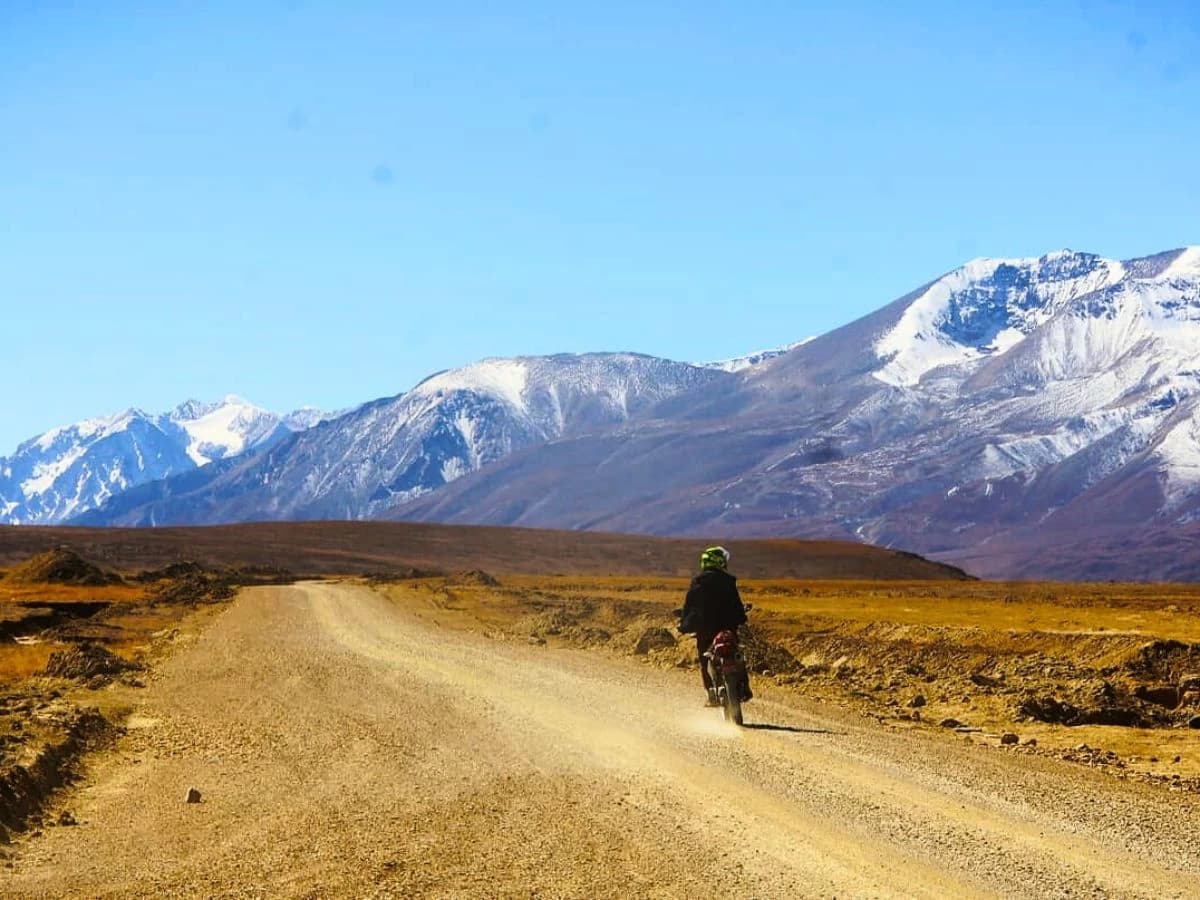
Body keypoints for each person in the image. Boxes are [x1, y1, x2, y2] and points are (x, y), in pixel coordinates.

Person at [677, 545, 750, 707]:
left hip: (705, 629)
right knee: (737, 654)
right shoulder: (728, 581)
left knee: (704, 658)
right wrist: (741, 617)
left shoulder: (698, 582)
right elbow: (736, 604)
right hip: (727, 627)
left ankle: (711, 693)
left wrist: (684, 624)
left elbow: (690, 606)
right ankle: (744, 688)